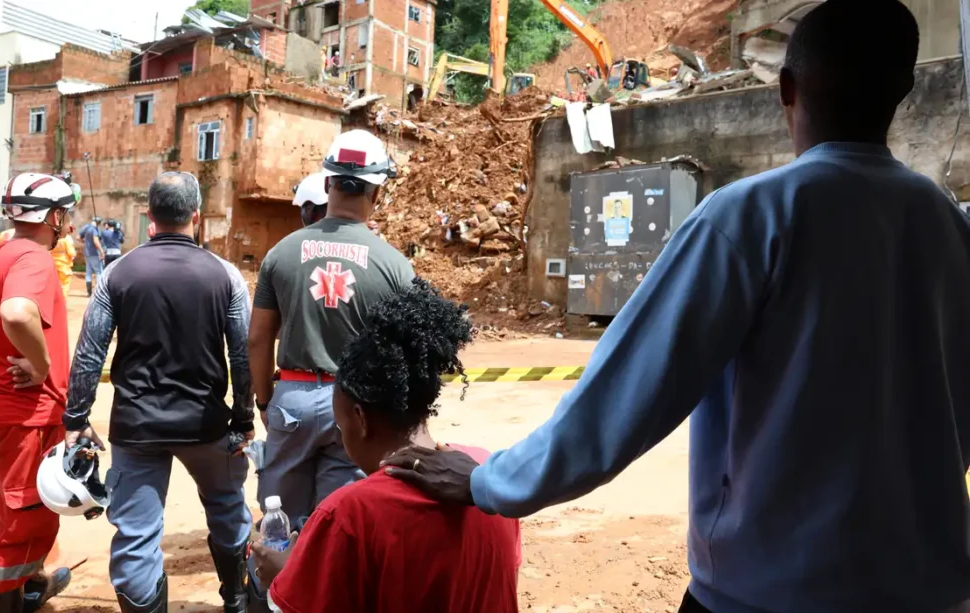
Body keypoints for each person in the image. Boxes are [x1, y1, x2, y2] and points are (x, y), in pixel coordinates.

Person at [384, 2, 970, 612]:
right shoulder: (950, 228)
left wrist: (489, 481)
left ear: (786, 89)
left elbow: (624, 396)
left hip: (765, 596)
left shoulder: (752, 217)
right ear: (903, 90)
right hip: (930, 593)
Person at [252, 279, 521, 612]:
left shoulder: (349, 514)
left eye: (341, 425)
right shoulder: (487, 478)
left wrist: (282, 576)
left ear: (361, 419)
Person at [64, 172, 255, 613]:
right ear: (196, 217)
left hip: (136, 428)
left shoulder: (118, 273)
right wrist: (243, 419)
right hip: (207, 425)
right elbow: (243, 356)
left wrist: (76, 418)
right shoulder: (225, 275)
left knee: (136, 537)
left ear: (149, 215)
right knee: (228, 508)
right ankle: (236, 599)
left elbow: (89, 352)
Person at [249, 129, 415, 522]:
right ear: (377, 193)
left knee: (281, 519)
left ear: (327, 185)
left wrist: (265, 401)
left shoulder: (280, 254)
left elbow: (257, 339)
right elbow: (406, 352)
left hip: (292, 399)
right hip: (357, 407)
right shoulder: (395, 266)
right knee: (341, 520)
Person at [0, 173, 77, 612]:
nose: (67, 224)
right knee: (26, 523)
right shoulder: (34, 258)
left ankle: (25, 589)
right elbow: (16, 312)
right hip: (24, 416)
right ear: (52, 217)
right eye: (63, 214)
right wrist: (42, 364)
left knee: (8, 512)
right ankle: (0, 603)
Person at [78, 216, 104, 296]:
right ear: (99, 223)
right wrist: (101, 251)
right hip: (94, 253)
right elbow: (96, 241)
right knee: (98, 272)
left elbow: (78, 237)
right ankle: (98, 292)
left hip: (87, 253)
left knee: (88, 272)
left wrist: (85, 242)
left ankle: (89, 292)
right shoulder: (95, 229)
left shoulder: (86, 227)